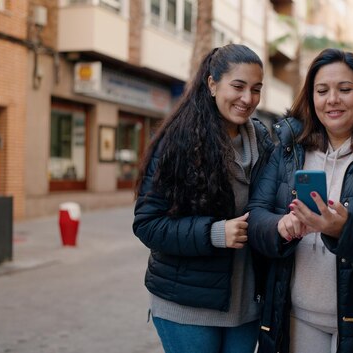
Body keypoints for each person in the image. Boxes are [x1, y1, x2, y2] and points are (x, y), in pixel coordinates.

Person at [246, 48, 353, 353]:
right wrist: (280, 226)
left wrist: (344, 229)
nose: (332, 100)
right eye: (322, 90)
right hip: (297, 316)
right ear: (311, 97)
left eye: (345, 89)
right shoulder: (288, 149)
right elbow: (256, 215)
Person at [132, 43, 274, 353]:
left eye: (256, 89)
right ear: (212, 84)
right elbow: (148, 224)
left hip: (246, 306)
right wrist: (214, 233)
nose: (247, 98)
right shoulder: (178, 141)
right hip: (188, 307)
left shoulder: (263, 141)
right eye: (238, 86)